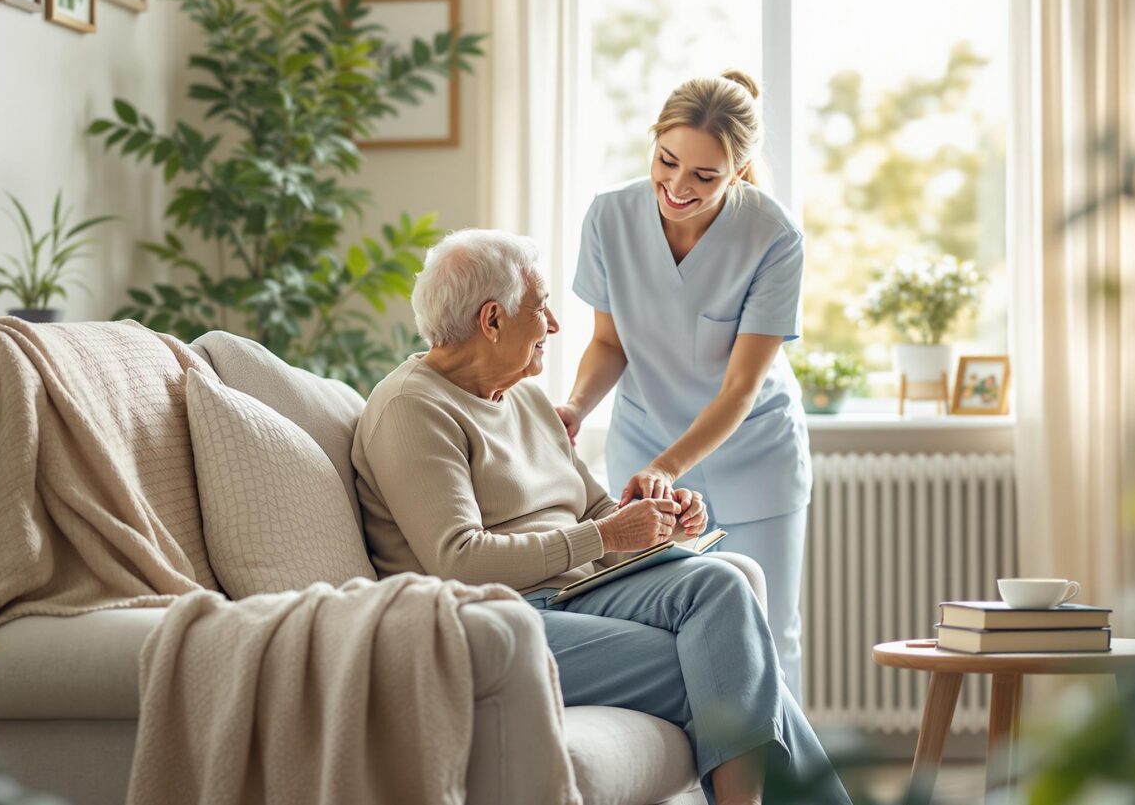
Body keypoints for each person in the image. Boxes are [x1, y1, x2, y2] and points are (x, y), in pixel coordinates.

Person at [353, 230, 850, 805]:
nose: (555, 326)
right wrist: (605, 533)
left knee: (722, 585)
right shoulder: (411, 409)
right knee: (715, 662)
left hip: (576, 592)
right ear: (492, 320)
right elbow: (459, 560)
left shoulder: (528, 399)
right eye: (540, 307)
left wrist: (654, 522)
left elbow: (592, 512)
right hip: (489, 617)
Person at [557, 71, 813, 701]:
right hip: (643, 448)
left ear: (739, 168)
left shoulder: (772, 237)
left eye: (704, 176)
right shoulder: (609, 217)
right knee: (658, 629)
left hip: (752, 452)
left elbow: (739, 390)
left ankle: (778, 792)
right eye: (667, 162)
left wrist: (667, 465)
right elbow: (610, 344)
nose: (677, 187)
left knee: (765, 632)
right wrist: (575, 407)